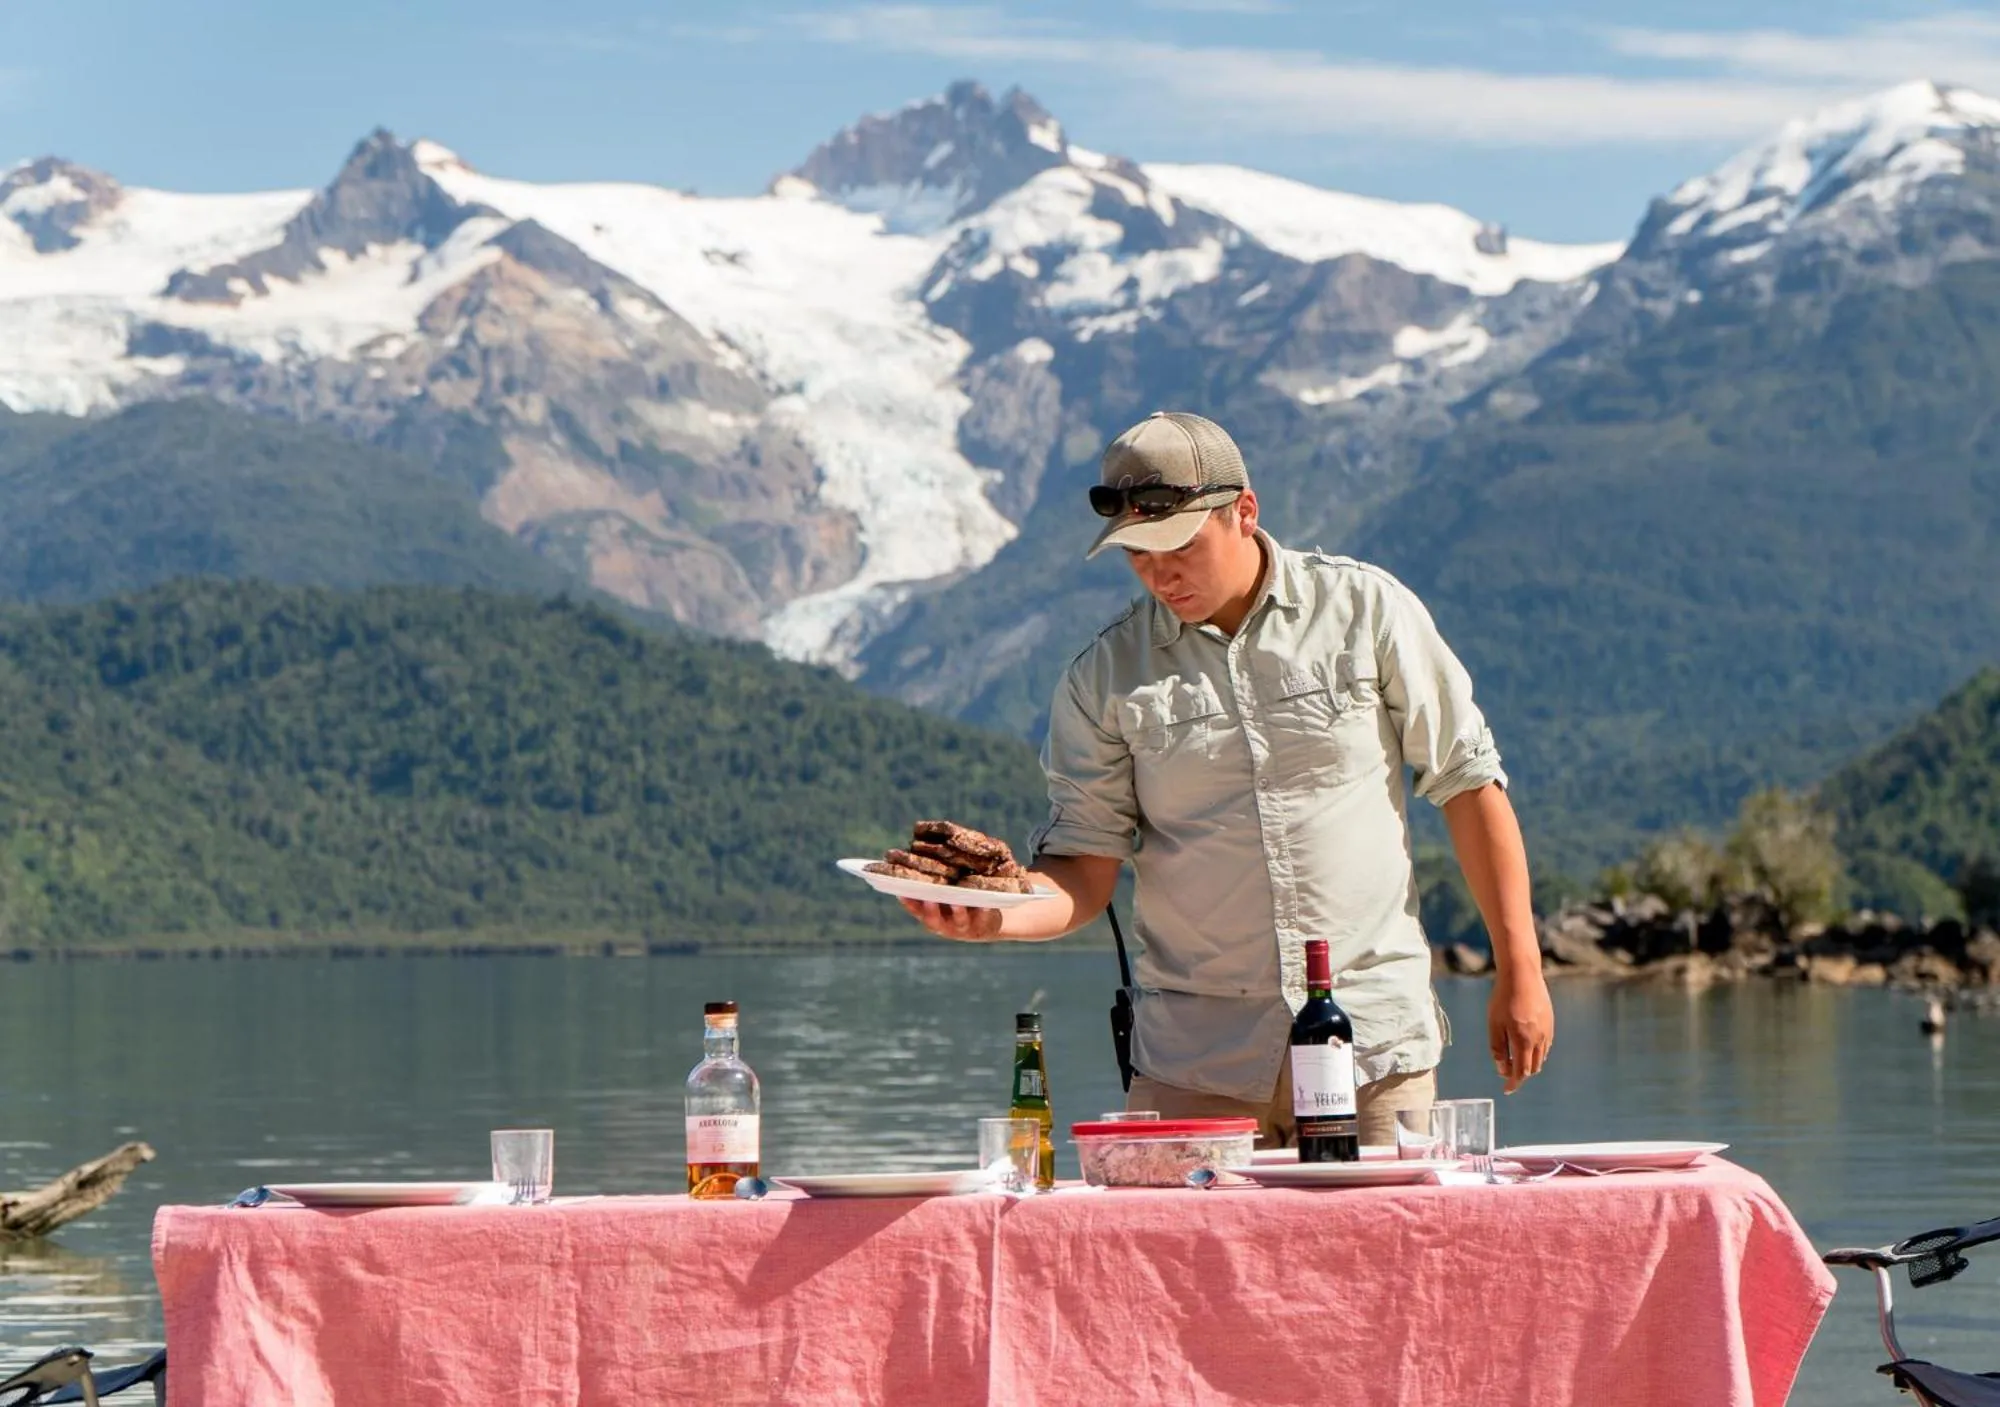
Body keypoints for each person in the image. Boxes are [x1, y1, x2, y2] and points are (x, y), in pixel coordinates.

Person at [901, 411, 1554, 1147]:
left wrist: (1520, 966)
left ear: (1244, 510)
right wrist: (996, 913)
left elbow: (1468, 781)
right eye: (1136, 554)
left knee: (1388, 1260)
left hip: (1372, 1050)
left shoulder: (1367, 611)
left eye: (1177, 544)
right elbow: (1083, 865)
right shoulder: (1103, 678)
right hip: (1193, 1068)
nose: (1158, 573)